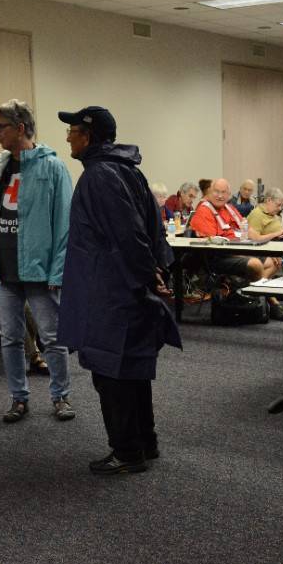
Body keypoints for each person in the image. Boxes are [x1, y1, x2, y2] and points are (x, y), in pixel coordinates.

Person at [56, 105, 180, 475]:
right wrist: (156, 272)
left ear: (88, 136)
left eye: (73, 131)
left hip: (112, 293)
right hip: (130, 289)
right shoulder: (128, 171)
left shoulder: (100, 176)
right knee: (134, 370)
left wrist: (146, 275)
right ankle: (145, 441)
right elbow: (154, 232)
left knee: (111, 374)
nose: (67, 138)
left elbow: (129, 236)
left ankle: (127, 451)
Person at [0, 99, 75, 425]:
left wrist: (58, 269)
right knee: (10, 337)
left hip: (39, 271)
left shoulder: (53, 167)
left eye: (1, 128)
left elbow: (64, 223)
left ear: (20, 128)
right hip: (6, 271)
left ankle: (60, 395)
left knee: (52, 336)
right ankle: (19, 398)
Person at [188, 178, 279, 283]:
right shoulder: (204, 211)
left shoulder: (230, 208)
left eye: (223, 192)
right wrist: (246, 253)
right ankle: (251, 291)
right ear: (210, 193)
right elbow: (214, 246)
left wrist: (268, 250)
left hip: (239, 249)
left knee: (273, 262)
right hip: (220, 256)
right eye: (216, 191)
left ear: (229, 195)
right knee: (255, 264)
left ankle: (250, 291)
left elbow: (252, 234)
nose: (220, 196)